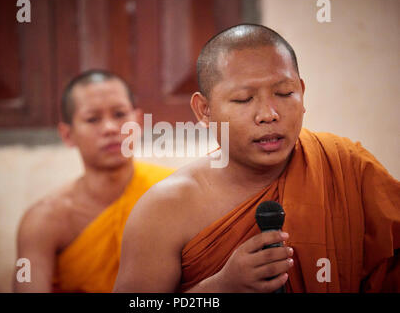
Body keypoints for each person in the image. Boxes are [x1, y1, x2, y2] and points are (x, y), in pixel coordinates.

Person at [113, 24, 399, 293]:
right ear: (204, 110)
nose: (268, 114)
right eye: (243, 99)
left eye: (285, 93)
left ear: (301, 92)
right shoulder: (166, 209)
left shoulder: (345, 166)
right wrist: (220, 287)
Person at [13, 70, 173, 292]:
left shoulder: (173, 192)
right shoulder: (43, 221)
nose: (110, 128)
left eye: (119, 114)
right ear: (68, 135)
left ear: (137, 121)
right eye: (93, 119)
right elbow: (27, 285)